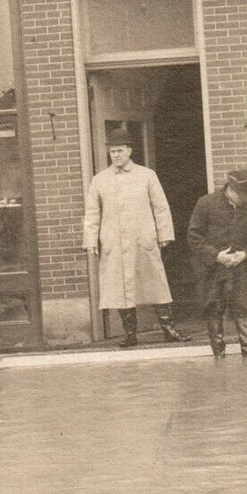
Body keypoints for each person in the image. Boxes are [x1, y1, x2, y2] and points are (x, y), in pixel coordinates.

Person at [83, 128, 190, 347]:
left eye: (120, 150)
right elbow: (92, 213)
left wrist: (164, 234)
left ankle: (168, 330)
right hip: (115, 243)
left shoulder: (146, 175)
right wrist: (91, 241)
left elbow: (160, 207)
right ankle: (130, 334)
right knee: (120, 288)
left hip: (143, 240)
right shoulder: (99, 180)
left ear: (129, 150)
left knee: (156, 284)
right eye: (112, 151)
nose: (116, 155)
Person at [188, 169, 247, 358]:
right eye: (241, 195)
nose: (244, 200)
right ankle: (219, 358)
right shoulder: (206, 203)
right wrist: (215, 255)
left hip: (241, 269)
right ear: (229, 189)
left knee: (244, 307)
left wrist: (245, 254)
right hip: (212, 269)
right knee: (214, 308)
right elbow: (194, 236)